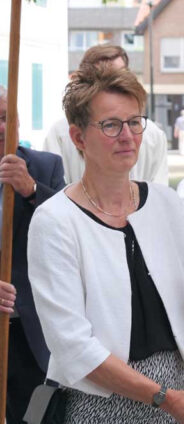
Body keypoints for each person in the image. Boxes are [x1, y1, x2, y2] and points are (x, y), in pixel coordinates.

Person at [27, 67, 184, 424]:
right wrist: (164, 399)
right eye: (110, 125)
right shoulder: (55, 221)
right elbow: (73, 347)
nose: (127, 136)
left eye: (135, 122)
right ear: (77, 137)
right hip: (102, 404)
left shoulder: (166, 204)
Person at [0, 86, 65, 424]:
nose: (0, 127)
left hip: (30, 334)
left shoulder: (43, 166)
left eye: (5, 118)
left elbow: (70, 228)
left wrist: (30, 190)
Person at [43, 45, 169, 185]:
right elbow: (53, 189)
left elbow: (159, 192)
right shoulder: (60, 134)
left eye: (119, 74)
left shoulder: (153, 135)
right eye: (110, 125)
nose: (127, 136)